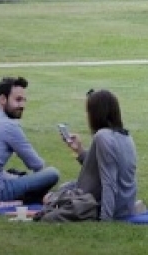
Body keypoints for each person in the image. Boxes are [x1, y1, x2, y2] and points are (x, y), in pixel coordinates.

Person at [60, 88, 140, 220]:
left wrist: (106, 219)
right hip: (125, 206)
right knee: (67, 186)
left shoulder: (102, 136)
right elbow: (100, 168)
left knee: (52, 198)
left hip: (99, 205)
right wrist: (79, 150)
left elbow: (109, 182)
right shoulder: (125, 136)